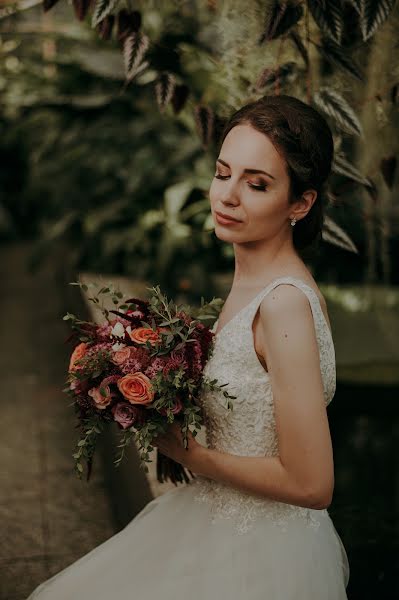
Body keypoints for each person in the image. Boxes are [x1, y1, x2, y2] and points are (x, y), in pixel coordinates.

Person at [27, 94, 350, 599]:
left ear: (301, 204)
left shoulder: (284, 305)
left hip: (259, 553)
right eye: (224, 173)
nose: (227, 196)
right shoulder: (252, 281)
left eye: (257, 183)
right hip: (213, 513)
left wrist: (188, 452)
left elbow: (312, 484)